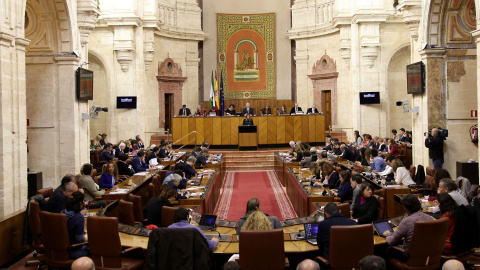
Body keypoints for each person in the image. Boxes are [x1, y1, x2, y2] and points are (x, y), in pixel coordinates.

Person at [384, 194, 434, 259]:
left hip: (409, 255)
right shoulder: (429, 218)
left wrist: (388, 234)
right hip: (427, 254)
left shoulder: (406, 221)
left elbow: (391, 242)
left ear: (406, 208)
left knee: (386, 249)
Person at [61, 191, 89, 259]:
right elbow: (80, 239)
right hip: (73, 249)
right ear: (80, 204)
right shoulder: (79, 217)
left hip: (60, 249)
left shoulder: (62, 212)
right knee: (95, 248)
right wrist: (87, 236)